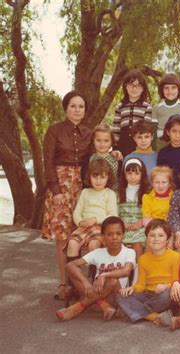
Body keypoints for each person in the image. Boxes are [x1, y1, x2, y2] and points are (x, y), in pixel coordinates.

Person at [42, 91, 92, 300]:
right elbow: (48, 161)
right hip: (61, 187)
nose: (77, 110)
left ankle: (81, 283)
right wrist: (56, 190)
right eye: (73, 106)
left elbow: (96, 156)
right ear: (66, 108)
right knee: (63, 237)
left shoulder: (89, 133)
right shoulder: (55, 130)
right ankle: (64, 284)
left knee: (82, 234)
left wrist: (113, 152)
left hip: (82, 186)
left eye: (80, 106)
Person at [56, 216, 136, 321]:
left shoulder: (129, 252)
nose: (114, 237)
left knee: (112, 280)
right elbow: (69, 265)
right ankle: (104, 306)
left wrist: (104, 275)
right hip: (96, 294)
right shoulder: (98, 253)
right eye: (110, 234)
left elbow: (126, 272)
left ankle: (76, 308)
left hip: (116, 297)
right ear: (103, 237)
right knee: (72, 270)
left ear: (123, 235)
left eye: (118, 234)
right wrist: (85, 283)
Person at [117, 219, 180, 324]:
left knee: (167, 295)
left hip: (164, 295)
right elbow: (141, 285)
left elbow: (177, 281)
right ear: (147, 237)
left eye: (161, 236)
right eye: (152, 235)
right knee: (120, 296)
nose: (156, 239)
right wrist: (132, 288)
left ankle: (133, 310)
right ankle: (155, 317)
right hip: (148, 294)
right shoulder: (143, 259)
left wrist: (167, 286)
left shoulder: (175, 257)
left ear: (168, 239)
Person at [66, 159, 118, 265]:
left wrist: (94, 220)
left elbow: (113, 215)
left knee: (93, 245)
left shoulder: (110, 194)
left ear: (108, 178)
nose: (98, 181)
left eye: (102, 177)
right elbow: (77, 211)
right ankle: (73, 278)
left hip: (100, 227)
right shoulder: (85, 192)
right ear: (89, 176)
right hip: (84, 227)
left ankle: (96, 276)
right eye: (95, 177)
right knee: (72, 244)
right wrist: (80, 222)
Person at [113, 69, 152, 157]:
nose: (134, 89)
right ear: (126, 86)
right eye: (131, 85)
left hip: (138, 142)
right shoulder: (120, 106)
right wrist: (115, 147)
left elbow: (147, 128)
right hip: (123, 144)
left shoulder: (147, 106)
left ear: (143, 89)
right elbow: (116, 129)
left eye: (138, 86)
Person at [118, 158, 150, 259]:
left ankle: (137, 271)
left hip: (139, 226)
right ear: (124, 174)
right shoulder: (119, 191)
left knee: (137, 244)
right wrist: (121, 223)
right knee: (118, 243)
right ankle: (122, 272)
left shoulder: (147, 192)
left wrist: (141, 222)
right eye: (129, 173)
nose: (133, 177)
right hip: (123, 225)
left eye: (136, 173)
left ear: (142, 174)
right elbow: (115, 211)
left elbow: (149, 212)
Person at [151, 73, 180, 151]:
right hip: (161, 143)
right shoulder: (157, 108)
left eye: (173, 88)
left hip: (179, 142)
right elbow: (153, 130)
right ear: (162, 90)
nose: (170, 91)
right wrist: (153, 147)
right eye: (166, 88)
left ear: (179, 89)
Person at [86, 124, 120, 190]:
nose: (102, 144)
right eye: (98, 140)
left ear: (112, 142)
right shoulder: (91, 158)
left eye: (106, 141)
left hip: (111, 194)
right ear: (93, 141)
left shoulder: (115, 158)